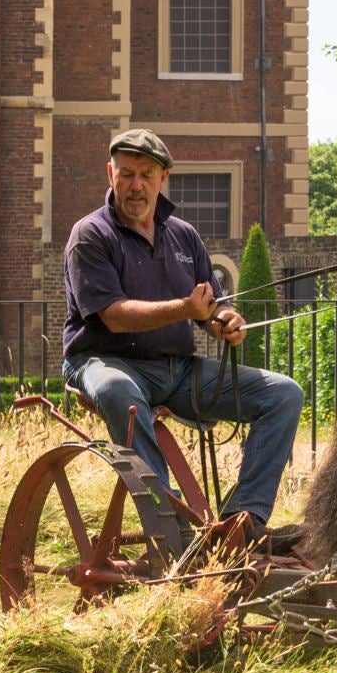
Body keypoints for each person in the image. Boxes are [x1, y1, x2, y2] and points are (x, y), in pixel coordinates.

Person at [61, 129, 306, 545]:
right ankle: (170, 524)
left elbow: (211, 305)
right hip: (104, 360)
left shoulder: (183, 235)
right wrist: (185, 309)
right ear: (110, 174)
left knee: (284, 394)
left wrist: (225, 321)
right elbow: (114, 317)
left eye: (146, 174)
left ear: (163, 178)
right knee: (118, 389)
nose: (135, 185)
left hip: (176, 369)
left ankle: (242, 524)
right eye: (126, 174)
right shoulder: (90, 235)